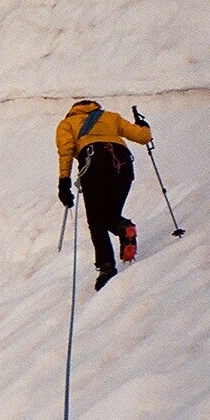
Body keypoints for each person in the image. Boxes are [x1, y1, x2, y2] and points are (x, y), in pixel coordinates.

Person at [56, 100, 153, 291]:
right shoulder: (110, 117)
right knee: (110, 214)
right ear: (95, 107)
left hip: (94, 164)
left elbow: (66, 150)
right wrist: (144, 126)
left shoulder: (67, 124)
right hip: (123, 165)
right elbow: (143, 137)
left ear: (73, 111)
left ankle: (106, 267)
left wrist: (64, 182)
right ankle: (123, 226)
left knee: (96, 220)